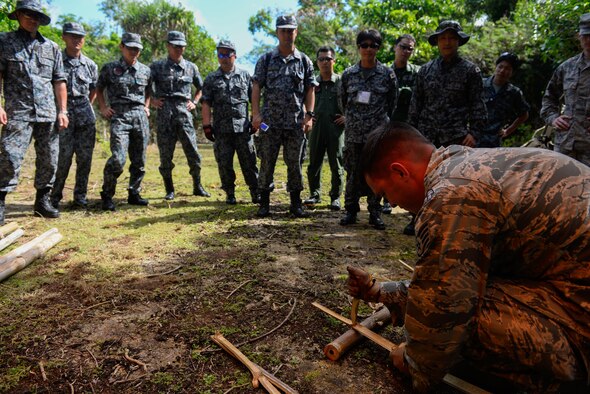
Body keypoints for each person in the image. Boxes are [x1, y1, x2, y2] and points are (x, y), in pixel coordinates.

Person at [348, 121, 590, 392]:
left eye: (384, 193)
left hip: (580, 321)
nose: (391, 204)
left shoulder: (450, 194)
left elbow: (444, 303)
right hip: (568, 290)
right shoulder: (466, 166)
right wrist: (379, 291)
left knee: (458, 323)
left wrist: (413, 363)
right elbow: (453, 277)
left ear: (400, 171)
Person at [0, 0, 68, 224]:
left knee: (49, 158)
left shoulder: (51, 47)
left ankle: (42, 200)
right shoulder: (4, 41)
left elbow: (59, 81)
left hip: (47, 112)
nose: (32, 19)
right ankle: (1, 201)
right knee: (10, 156)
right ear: (18, 15)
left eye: (36, 15)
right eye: (28, 14)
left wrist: (63, 111)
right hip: (17, 111)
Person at [251, 15, 316, 218]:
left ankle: (296, 204)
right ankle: (264, 204)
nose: (287, 34)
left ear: (296, 32)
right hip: (268, 124)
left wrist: (309, 115)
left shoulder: (304, 61)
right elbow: (256, 86)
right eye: (283, 30)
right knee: (266, 161)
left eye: (291, 30)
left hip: (296, 123)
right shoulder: (266, 59)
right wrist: (255, 115)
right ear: (277, 33)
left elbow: (310, 89)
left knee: (295, 162)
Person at [339, 29, 397, 230]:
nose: (368, 49)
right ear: (358, 48)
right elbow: (343, 102)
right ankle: (351, 211)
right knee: (353, 173)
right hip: (354, 133)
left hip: (376, 135)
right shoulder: (348, 74)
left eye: (373, 45)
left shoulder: (387, 75)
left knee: (376, 173)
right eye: (364, 45)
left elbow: (392, 103)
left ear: (378, 49)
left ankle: (374, 212)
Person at [150, 31, 210, 201]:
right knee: (165, 155)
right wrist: (152, 101)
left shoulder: (191, 67)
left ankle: (197, 186)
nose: (179, 49)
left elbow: (202, 87)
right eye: (175, 46)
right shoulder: (156, 67)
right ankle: (169, 189)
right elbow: (144, 84)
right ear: (168, 46)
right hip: (164, 114)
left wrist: (195, 101)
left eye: (181, 46)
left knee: (193, 153)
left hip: (184, 114)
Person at [408, 20, 487, 148]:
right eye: (443, 38)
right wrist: (412, 134)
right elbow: (415, 105)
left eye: (452, 38)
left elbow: (478, 106)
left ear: (459, 41)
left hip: (457, 140)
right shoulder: (425, 70)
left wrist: (474, 134)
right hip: (425, 138)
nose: (447, 42)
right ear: (437, 42)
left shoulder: (470, 71)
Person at [96, 33, 151, 211]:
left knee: (139, 159)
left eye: (137, 49)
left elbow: (149, 90)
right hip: (119, 115)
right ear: (122, 47)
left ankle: (134, 193)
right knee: (118, 159)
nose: (134, 51)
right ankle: (107, 194)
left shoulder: (145, 70)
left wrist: (146, 106)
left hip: (140, 116)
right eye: (130, 48)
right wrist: (103, 107)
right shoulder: (110, 68)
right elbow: (99, 87)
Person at [201, 40, 258, 205]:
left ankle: (255, 192)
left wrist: (256, 119)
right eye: (220, 54)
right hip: (221, 130)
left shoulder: (245, 75)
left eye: (227, 54)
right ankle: (230, 193)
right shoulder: (211, 79)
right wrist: (206, 126)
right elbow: (206, 103)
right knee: (224, 164)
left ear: (235, 55)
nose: (224, 58)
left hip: (243, 129)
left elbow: (254, 99)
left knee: (249, 162)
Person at [50, 22, 98, 210]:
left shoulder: (91, 65)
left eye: (80, 37)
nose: (77, 40)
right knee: (62, 158)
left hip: (85, 117)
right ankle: (54, 197)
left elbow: (93, 90)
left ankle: (80, 197)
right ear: (63, 37)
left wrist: (85, 106)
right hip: (62, 116)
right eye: (72, 36)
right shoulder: (56, 61)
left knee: (85, 159)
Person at [541, 13, 590, 167]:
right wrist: (553, 118)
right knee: (559, 188)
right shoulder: (566, 67)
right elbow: (549, 97)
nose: (589, 40)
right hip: (565, 145)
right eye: (585, 35)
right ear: (579, 36)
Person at [385, 33, 421, 232]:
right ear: (395, 47)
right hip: (388, 127)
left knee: (410, 171)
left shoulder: (418, 72)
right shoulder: (384, 72)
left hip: (410, 130)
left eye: (410, 48)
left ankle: (412, 213)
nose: (406, 51)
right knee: (387, 165)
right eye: (403, 47)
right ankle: (386, 200)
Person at [302, 46, 345, 211]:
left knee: (337, 163)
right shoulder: (312, 83)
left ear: (334, 60)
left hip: (336, 128)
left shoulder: (342, 82)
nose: (325, 62)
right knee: (314, 162)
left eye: (328, 59)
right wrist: (307, 116)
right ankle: (314, 194)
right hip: (317, 127)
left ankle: (335, 197)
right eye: (321, 59)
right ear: (317, 62)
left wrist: (347, 117)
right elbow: (303, 102)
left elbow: (353, 101)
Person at [479, 52, 530, 148]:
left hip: (493, 143)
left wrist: (508, 131)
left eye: (507, 68)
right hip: (473, 139)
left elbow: (524, 114)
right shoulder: (479, 84)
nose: (502, 71)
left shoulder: (513, 92)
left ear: (512, 72)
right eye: (500, 66)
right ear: (496, 67)